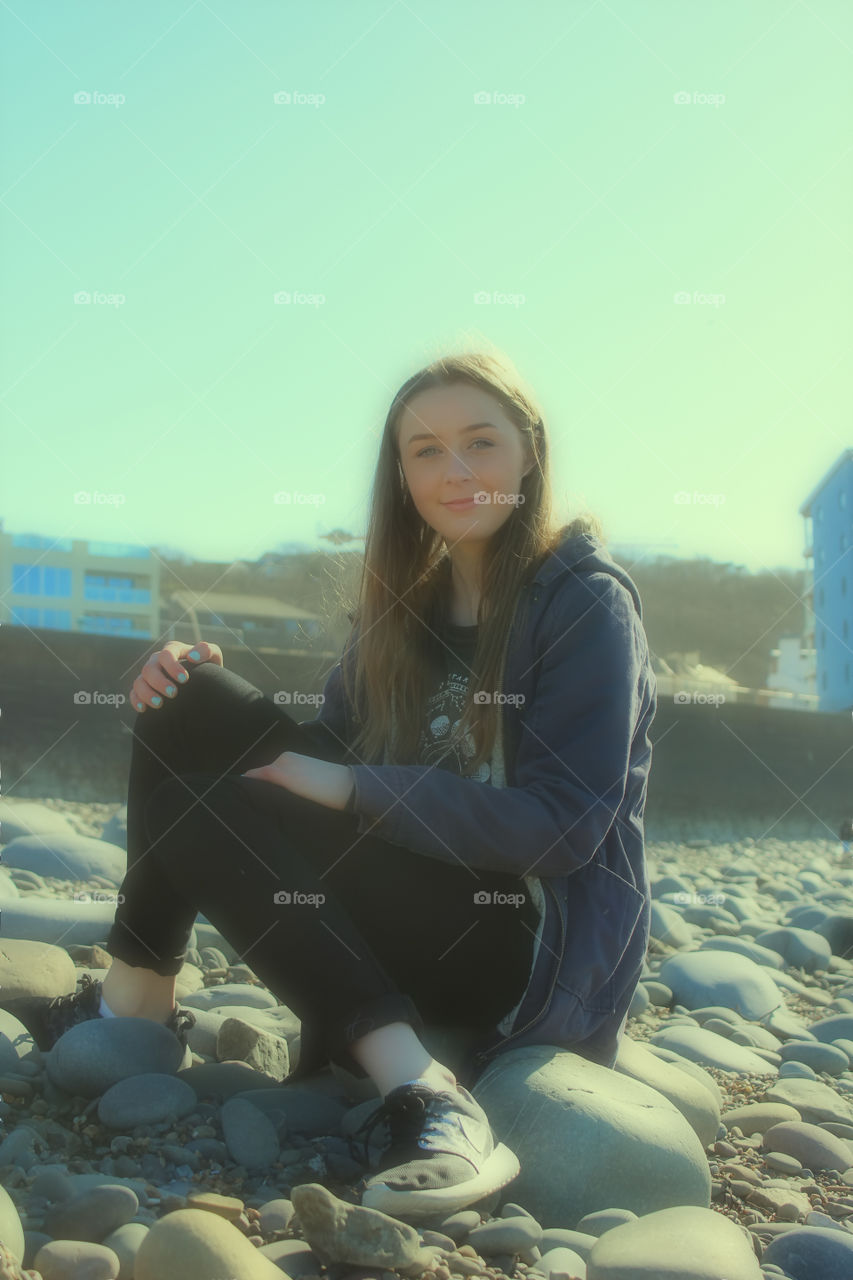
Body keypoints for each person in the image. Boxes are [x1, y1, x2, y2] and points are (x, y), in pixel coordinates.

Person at [3, 350, 656, 1221]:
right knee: (185, 696)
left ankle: (428, 1096)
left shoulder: (582, 601)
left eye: (480, 443)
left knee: (206, 805)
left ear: (529, 452)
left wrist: (354, 792)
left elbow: (563, 826)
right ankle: (134, 1006)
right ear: (400, 472)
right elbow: (329, 755)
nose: (455, 472)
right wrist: (204, 692)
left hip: (513, 942)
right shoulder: (404, 606)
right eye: (425, 451)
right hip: (397, 897)